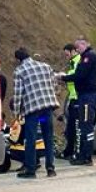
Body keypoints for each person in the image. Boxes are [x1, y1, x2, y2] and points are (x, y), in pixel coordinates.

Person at [11, 47, 59, 178]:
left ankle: (31, 170)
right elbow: (55, 85)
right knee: (48, 137)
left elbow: (18, 95)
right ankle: (51, 169)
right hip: (46, 110)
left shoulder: (19, 71)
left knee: (30, 139)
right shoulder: (45, 66)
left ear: (18, 60)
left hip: (33, 112)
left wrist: (16, 113)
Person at [60, 36, 96, 165]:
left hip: (88, 96)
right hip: (85, 95)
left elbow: (79, 75)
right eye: (76, 47)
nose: (77, 49)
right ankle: (82, 155)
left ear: (85, 44)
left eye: (78, 46)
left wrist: (63, 78)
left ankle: (86, 156)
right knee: (83, 126)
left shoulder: (89, 57)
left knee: (86, 127)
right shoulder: (86, 57)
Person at [59, 43, 81, 159]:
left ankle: (77, 152)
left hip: (78, 97)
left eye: (67, 54)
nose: (66, 57)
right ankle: (69, 151)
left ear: (73, 51)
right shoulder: (73, 62)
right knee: (70, 127)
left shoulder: (78, 61)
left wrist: (64, 77)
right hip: (73, 97)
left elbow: (76, 77)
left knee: (76, 127)